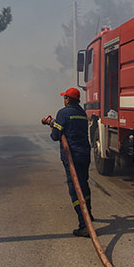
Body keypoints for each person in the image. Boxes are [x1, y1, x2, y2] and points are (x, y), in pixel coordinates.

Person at [47, 88, 92, 237]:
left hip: (72, 156)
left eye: (64, 98)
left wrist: (53, 126)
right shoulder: (82, 113)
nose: (64, 100)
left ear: (67, 99)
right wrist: (56, 124)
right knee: (84, 185)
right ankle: (88, 215)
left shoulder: (63, 113)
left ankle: (84, 225)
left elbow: (55, 136)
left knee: (75, 189)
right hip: (85, 154)